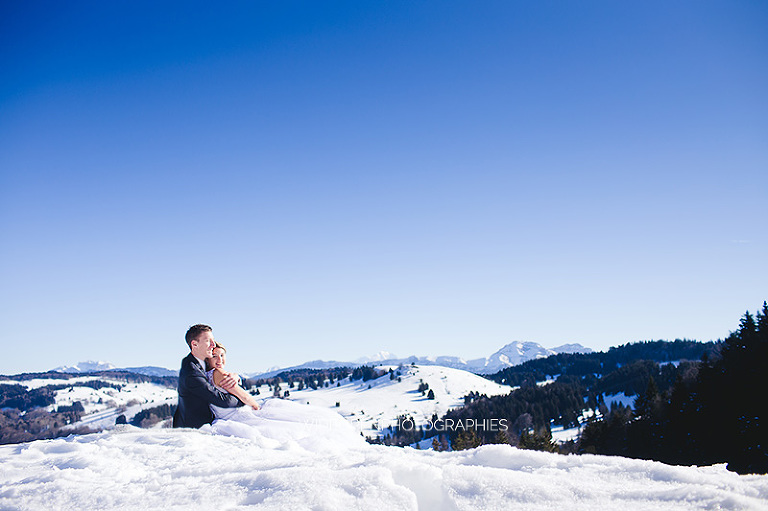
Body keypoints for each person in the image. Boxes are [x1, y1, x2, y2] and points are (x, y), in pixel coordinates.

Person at [172, 324, 244, 428]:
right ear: (195, 344)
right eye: (208, 341)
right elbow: (224, 401)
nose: (213, 344)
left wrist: (235, 376)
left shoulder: (200, 363)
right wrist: (241, 397)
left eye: (213, 340)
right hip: (197, 430)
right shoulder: (192, 372)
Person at [205, 342, 260, 415]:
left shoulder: (206, 375)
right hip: (238, 415)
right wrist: (257, 407)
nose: (220, 360)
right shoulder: (218, 373)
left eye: (222, 355)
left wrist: (236, 376)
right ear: (207, 359)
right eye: (214, 356)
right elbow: (245, 397)